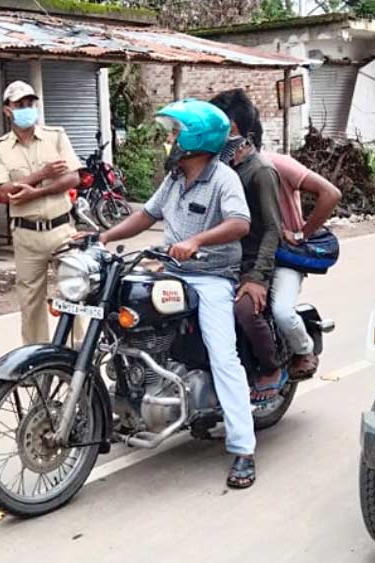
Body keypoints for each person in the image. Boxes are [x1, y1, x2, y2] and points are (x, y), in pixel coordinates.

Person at [97, 99, 259, 489]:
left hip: (211, 276)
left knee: (224, 357)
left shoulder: (223, 178)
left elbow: (240, 223)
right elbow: (146, 215)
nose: (169, 139)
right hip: (170, 270)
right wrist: (102, 236)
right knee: (122, 319)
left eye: (175, 133)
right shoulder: (173, 178)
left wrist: (197, 240)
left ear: (195, 138)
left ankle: (243, 448)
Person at [211, 89, 341, 381]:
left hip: (282, 256)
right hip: (243, 254)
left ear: (235, 129)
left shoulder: (270, 165)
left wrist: (301, 232)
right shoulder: (220, 167)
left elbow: (330, 194)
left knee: (281, 311)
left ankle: (301, 350)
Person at [0, 81, 82, 345]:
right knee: (30, 303)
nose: (27, 109)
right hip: (26, 236)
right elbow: (5, 192)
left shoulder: (56, 136)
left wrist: (35, 192)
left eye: (31, 103)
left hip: (62, 230)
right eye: (20, 105)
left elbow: (73, 178)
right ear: (8, 110)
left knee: (75, 295)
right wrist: (42, 175)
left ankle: (79, 358)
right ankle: (37, 360)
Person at [209, 94, 285, 402]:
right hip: (219, 261)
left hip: (251, 264)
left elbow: (272, 229)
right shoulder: (216, 167)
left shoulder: (260, 171)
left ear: (232, 129)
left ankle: (271, 368)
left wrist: (257, 278)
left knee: (244, 310)